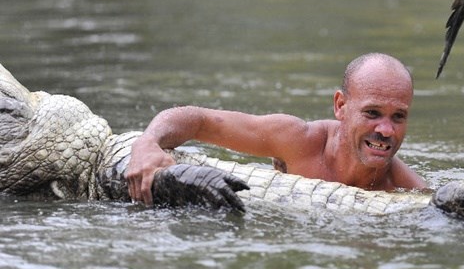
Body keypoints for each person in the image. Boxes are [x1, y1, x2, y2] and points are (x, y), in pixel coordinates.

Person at [125, 52, 428, 205]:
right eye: (372, 113)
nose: (386, 130)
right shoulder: (298, 141)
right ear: (340, 106)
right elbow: (198, 119)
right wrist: (147, 142)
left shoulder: (409, 189)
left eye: (398, 117)